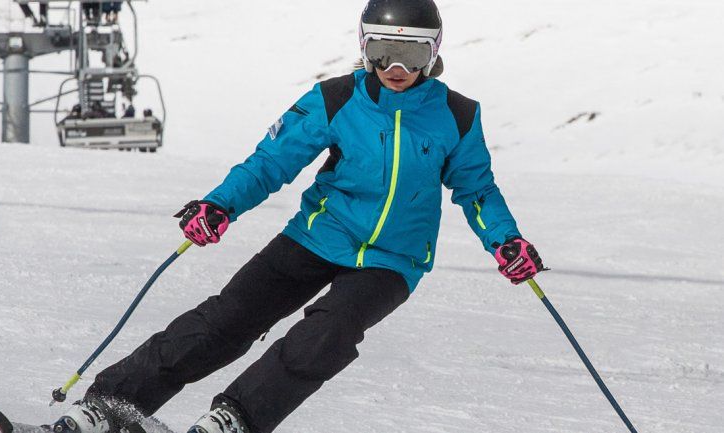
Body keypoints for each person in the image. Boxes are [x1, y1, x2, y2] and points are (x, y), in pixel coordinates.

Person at [48, 1, 544, 432]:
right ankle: (112, 405)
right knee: (229, 318)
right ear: (364, 49)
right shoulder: (336, 99)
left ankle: (235, 419)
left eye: (412, 52)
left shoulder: (457, 115)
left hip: (394, 260)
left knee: (328, 333)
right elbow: (272, 162)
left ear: (434, 52)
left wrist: (505, 240)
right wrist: (221, 204)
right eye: (380, 52)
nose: (395, 66)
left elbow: (476, 189)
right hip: (315, 236)